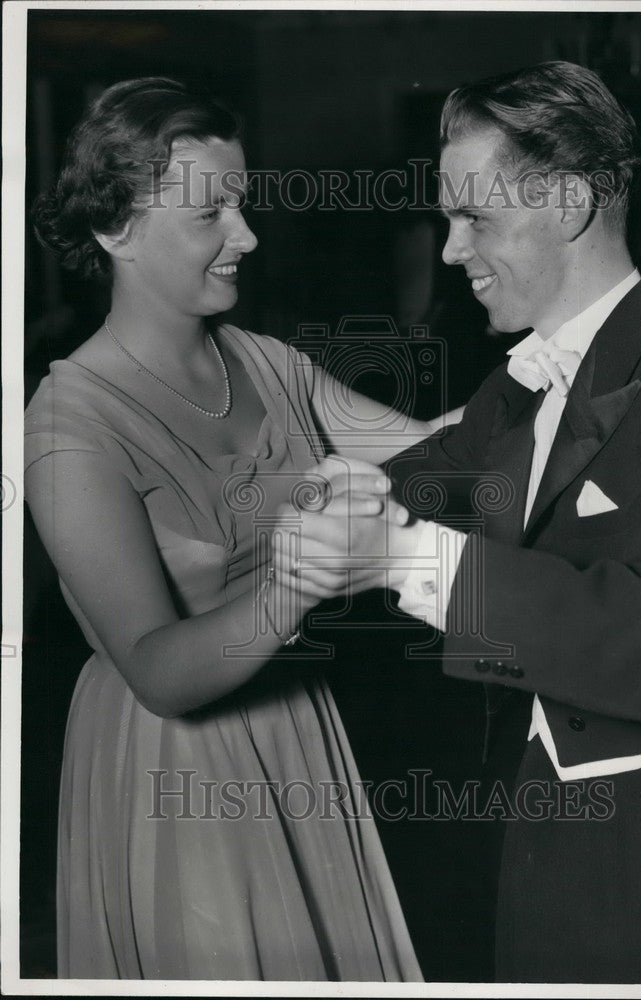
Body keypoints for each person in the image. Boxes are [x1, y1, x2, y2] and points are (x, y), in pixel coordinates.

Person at [291, 61, 641, 984]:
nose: (450, 251)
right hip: (534, 829)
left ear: (569, 201)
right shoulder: (527, 380)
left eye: (474, 218)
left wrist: (402, 558)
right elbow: (423, 480)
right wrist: (334, 495)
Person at [24, 76, 459, 981]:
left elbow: (438, 454)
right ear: (115, 229)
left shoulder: (263, 360)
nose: (247, 236)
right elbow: (156, 671)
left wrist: (564, 371)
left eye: (244, 203)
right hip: (173, 774)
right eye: (210, 213)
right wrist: (296, 587)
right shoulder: (70, 426)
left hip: (297, 724)